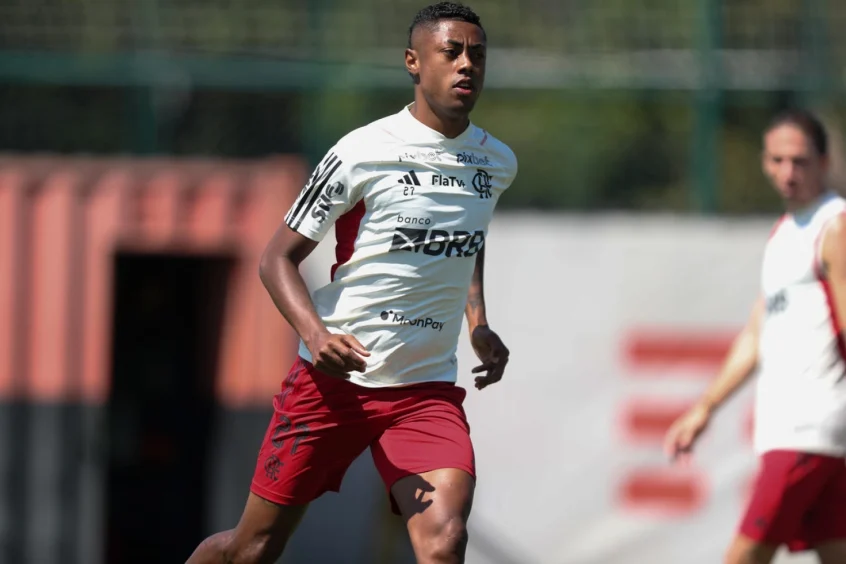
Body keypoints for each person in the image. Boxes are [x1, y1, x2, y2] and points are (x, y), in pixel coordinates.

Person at [186, 2, 517, 563]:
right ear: (413, 62)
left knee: (445, 539)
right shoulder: (361, 151)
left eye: (477, 55)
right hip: (334, 384)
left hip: (423, 391)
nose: (467, 65)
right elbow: (276, 260)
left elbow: (467, 236)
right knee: (252, 548)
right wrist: (317, 336)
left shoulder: (496, 161)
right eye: (451, 52)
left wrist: (478, 322)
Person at [664, 109, 846, 564]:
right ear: (765, 162)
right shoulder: (785, 234)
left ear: (824, 163)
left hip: (810, 431)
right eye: (778, 160)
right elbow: (756, 333)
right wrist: (705, 407)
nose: (788, 172)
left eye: (800, 161)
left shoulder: (835, 226)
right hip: (807, 435)